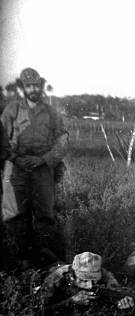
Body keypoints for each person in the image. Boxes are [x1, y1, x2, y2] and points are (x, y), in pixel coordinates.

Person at [1, 68, 68, 268]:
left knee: (45, 215)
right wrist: (15, 158)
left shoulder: (51, 112)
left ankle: (44, 263)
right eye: (29, 85)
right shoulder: (12, 110)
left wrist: (44, 159)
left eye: (36, 85)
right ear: (23, 87)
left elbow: (62, 140)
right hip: (16, 168)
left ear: (41, 86)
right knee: (14, 215)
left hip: (42, 169)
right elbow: (1, 139)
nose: (33, 89)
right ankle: (18, 263)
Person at [40, 252, 134, 311]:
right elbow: (40, 310)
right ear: (73, 273)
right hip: (50, 267)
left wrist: (119, 302)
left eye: (94, 280)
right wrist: (70, 301)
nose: (89, 286)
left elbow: (115, 291)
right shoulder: (56, 277)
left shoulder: (103, 274)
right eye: (83, 280)